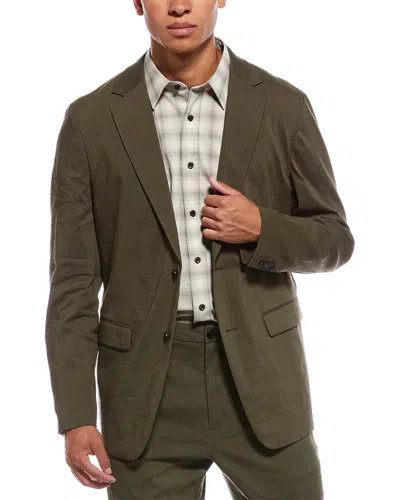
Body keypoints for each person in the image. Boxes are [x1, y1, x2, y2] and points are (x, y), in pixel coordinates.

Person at [45, 1, 355, 498]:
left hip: (263, 382)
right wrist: (76, 416)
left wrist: (262, 227)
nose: (180, 6)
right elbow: (73, 284)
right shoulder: (91, 120)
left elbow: (335, 239)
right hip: (144, 393)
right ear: (137, 2)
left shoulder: (283, 106)